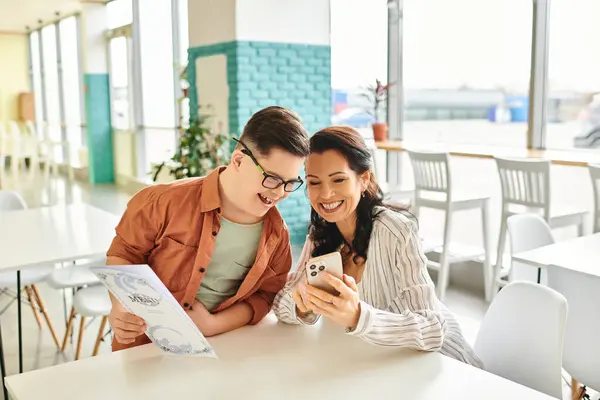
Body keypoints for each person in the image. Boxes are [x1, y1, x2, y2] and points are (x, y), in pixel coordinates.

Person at [273, 126, 483, 368]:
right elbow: (280, 303)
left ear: (364, 179)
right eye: (314, 182)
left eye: (338, 179)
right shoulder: (320, 236)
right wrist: (302, 305)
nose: (326, 194)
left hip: (441, 366)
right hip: (377, 365)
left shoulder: (396, 231)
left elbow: (433, 329)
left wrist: (357, 317)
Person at [106, 106, 310, 351]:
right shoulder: (162, 202)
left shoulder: (277, 235)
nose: (278, 192)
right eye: (272, 178)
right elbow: (125, 254)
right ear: (238, 160)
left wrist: (214, 325)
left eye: (290, 183)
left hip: (223, 352)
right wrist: (120, 305)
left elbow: (265, 297)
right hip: (145, 347)